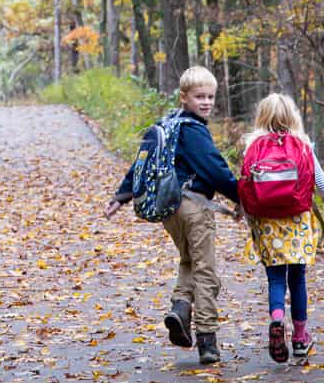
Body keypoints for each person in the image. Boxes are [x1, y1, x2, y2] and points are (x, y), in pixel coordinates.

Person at [103, 65, 240, 365]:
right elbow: (216, 170)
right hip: (196, 207)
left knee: (189, 260)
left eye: (210, 97)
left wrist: (121, 196)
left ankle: (180, 309)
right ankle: (207, 340)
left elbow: (141, 163)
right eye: (199, 96)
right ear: (184, 97)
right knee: (206, 270)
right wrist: (245, 198)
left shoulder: (165, 125)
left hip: (170, 211)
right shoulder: (194, 130)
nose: (205, 102)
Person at [240, 93, 324, 362]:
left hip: (267, 223)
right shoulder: (303, 145)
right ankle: (301, 338)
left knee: (276, 278)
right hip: (297, 221)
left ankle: (277, 318)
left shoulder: (252, 146)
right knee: (298, 277)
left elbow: (246, 186)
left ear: (261, 116)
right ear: (293, 117)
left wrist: (250, 220)